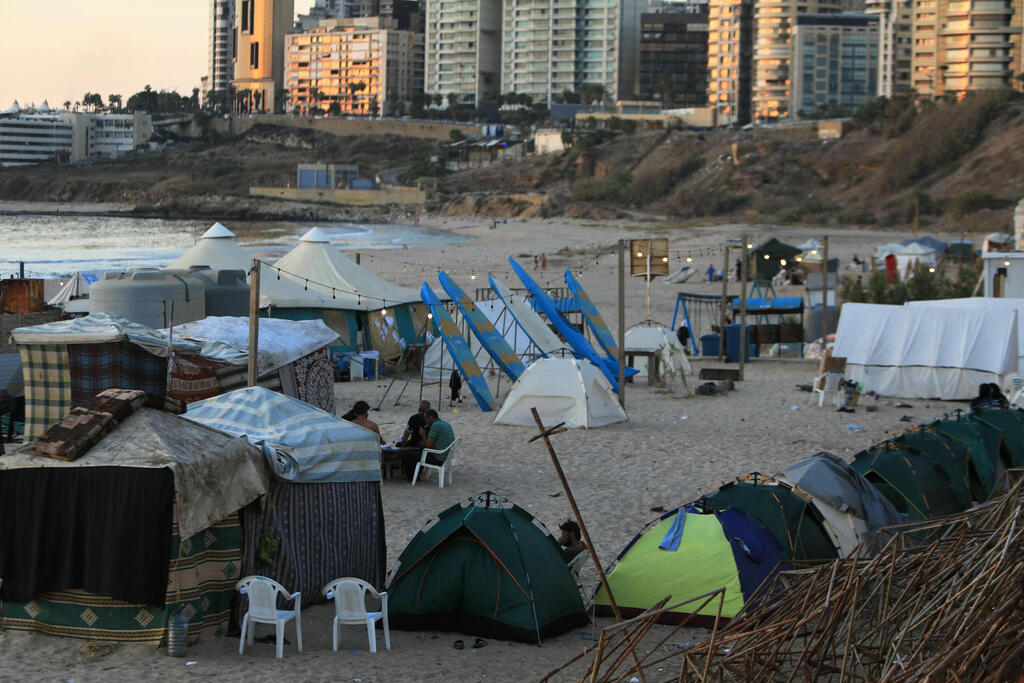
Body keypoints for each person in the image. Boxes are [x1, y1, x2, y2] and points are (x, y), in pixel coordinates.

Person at [401, 409, 455, 481]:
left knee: (410, 455)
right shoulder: (445, 423)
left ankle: (412, 478)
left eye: (425, 418)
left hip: (439, 458)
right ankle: (416, 475)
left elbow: (427, 446)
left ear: (430, 418)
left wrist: (423, 434)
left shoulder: (435, 426)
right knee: (417, 451)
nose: (425, 421)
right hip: (447, 456)